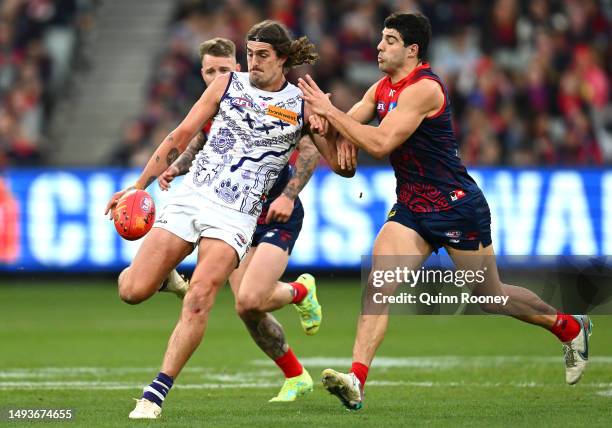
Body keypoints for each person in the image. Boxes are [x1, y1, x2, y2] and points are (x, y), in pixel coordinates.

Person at [299, 12, 593, 411]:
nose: (379, 46)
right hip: (411, 210)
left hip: (456, 209)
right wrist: (317, 121)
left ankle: (570, 326)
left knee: (490, 297)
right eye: (381, 38)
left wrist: (329, 116)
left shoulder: (424, 89)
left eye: (389, 40)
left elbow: (381, 143)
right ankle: (357, 380)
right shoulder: (381, 88)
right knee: (378, 287)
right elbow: (343, 135)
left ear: (412, 49)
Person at [104, 21, 323, 419]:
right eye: (250, 53)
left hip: (236, 215)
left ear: (283, 59)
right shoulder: (227, 85)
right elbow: (182, 133)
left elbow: (337, 161)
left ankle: (154, 395)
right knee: (133, 290)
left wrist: (331, 127)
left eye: (262, 56)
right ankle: (163, 278)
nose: (252, 63)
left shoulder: (303, 104)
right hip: (192, 197)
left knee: (202, 296)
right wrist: (138, 187)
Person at [157, 37, 323, 404]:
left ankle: (299, 290)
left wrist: (289, 194)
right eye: (210, 70)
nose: (219, 75)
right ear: (202, 74)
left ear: (239, 67)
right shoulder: (216, 107)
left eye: (225, 69)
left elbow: (310, 145)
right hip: (230, 217)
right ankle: (295, 375)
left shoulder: (270, 99)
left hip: (272, 212)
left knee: (250, 299)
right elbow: (198, 145)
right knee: (247, 307)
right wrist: (175, 168)